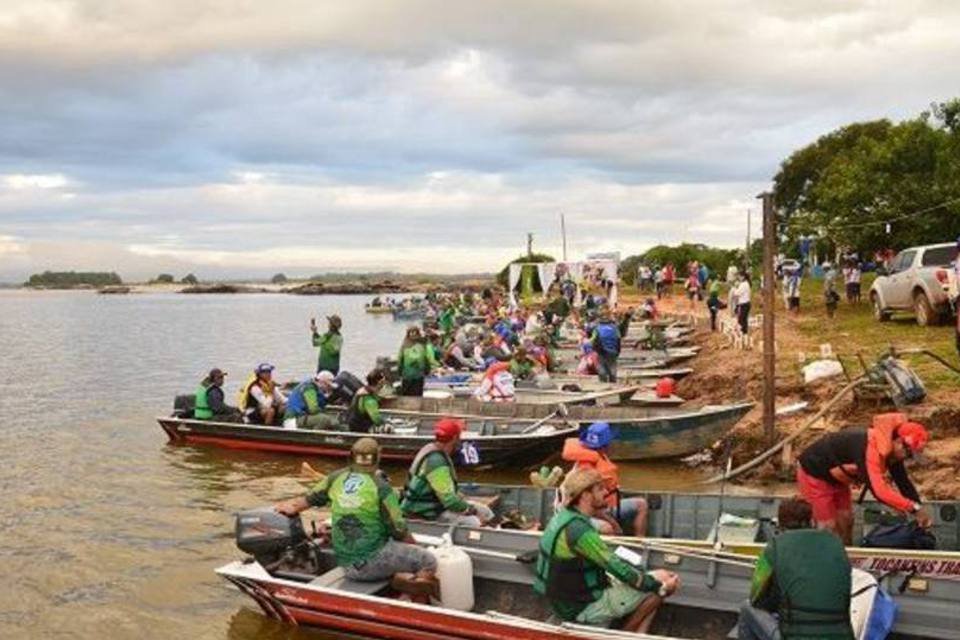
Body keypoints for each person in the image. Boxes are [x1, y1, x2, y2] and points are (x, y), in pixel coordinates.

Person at [275, 438, 439, 595]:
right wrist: (417, 548)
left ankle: (402, 579)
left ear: (352, 455)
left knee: (393, 547)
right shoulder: (381, 487)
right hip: (370, 564)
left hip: (346, 563)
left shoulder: (335, 478)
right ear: (378, 457)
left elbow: (301, 502)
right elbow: (399, 529)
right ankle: (407, 592)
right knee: (428, 561)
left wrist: (285, 507)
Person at [534, 469, 679, 632]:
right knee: (665, 582)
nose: (605, 492)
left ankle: (640, 634)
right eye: (600, 489)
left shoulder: (564, 517)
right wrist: (657, 585)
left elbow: (606, 560)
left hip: (566, 601)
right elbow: (616, 567)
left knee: (654, 579)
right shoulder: (580, 532)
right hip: (582, 607)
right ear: (586, 495)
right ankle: (627, 633)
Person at [796, 413, 931, 544]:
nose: (906, 458)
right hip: (815, 473)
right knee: (827, 527)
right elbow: (879, 491)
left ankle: (848, 560)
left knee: (846, 520)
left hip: (838, 479)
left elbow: (903, 482)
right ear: (899, 441)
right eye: (908, 454)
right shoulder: (869, 447)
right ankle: (826, 562)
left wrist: (918, 507)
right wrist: (913, 508)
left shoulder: (892, 452)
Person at [738, 498, 854, 640]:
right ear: (812, 521)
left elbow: (756, 597)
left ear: (780, 525)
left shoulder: (775, 546)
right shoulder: (836, 543)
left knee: (747, 607)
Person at [401, 418, 494, 526]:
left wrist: (463, 500)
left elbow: (445, 491)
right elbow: (449, 501)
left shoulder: (431, 448)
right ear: (455, 438)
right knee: (475, 522)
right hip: (425, 513)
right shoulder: (436, 462)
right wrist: (471, 511)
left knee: (485, 510)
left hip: (437, 505)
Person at [561, 422, 648, 536]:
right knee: (610, 527)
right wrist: (614, 524)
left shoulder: (592, 457)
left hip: (602, 506)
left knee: (640, 504)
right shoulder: (588, 474)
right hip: (588, 512)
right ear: (606, 445)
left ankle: (637, 542)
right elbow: (591, 507)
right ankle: (627, 546)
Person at [397, 326, 437, 397]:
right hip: (416, 376)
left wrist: (399, 373)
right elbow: (426, 360)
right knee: (417, 395)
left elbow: (400, 361)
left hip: (409, 376)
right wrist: (427, 371)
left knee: (407, 395)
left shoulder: (404, 345)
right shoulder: (422, 345)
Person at [590, 312, 621, 383]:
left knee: (601, 367)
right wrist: (618, 351)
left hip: (602, 351)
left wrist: (594, 349)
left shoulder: (597, 329)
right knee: (612, 367)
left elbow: (593, 340)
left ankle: (603, 383)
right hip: (613, 351)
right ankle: (613, 383)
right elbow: (619, 340)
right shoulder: (615, 328)